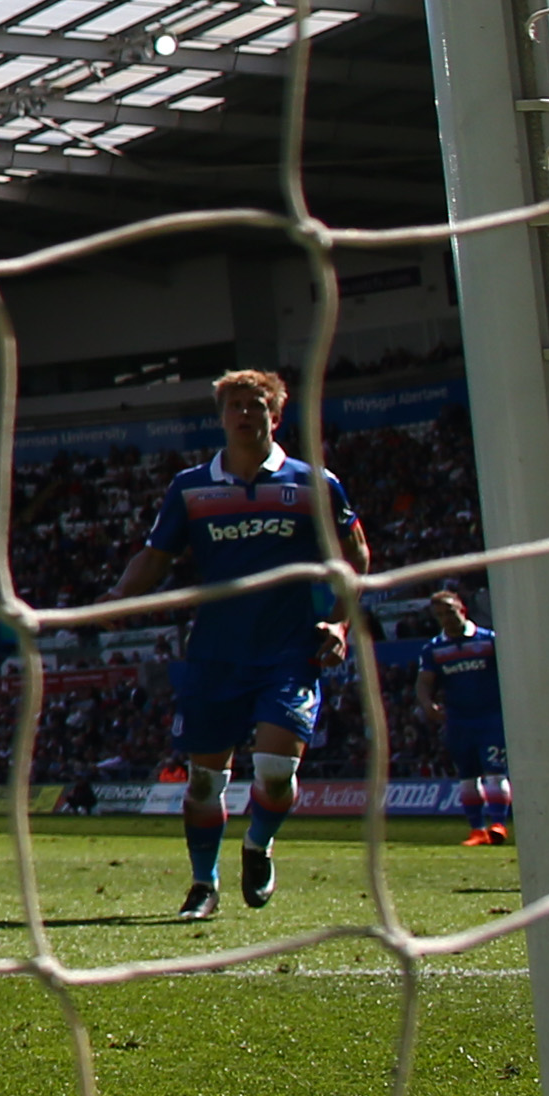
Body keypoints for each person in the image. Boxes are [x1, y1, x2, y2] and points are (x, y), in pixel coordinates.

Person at [105, 367, 364, 923]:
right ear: (221, 417)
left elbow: (356, 559)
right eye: (235, 406)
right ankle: (204, 884)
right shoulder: (191, 488)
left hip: (289, 650)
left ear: (276, 414)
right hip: (216, 652)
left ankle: (259, 845)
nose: (245, 414)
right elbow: (155, 557)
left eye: (256, 405)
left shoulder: (314, 484)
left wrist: (340, 625)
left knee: (274, 769)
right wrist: (120, 597)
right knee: (204, 778)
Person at [416, 586, 511, 848]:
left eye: (449, 611)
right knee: (467, 777)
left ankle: (498, 825)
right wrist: (427, 704)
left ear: (462, 609)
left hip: (491, 717)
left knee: (495, 772)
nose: (446, 618)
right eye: (440, 615)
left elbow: (508, 672)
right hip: (458, 720)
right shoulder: (434, 649)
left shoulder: (489, 640)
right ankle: (477, 829)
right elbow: (424, 683)